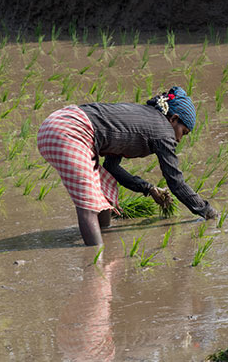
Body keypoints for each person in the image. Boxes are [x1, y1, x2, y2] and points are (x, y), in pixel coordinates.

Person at [37, 86, 217, 246]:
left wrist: (149, 189)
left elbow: (111, 167)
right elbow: (176, 182)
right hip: (70, 130)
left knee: (103, 190)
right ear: (173, 119)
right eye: (183, 132)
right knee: (88, 204)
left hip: (58, 122)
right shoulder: (163, 131)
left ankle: (105, 236)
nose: (179, 139)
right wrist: (209, 213)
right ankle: (95, 263)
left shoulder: (144, 118)